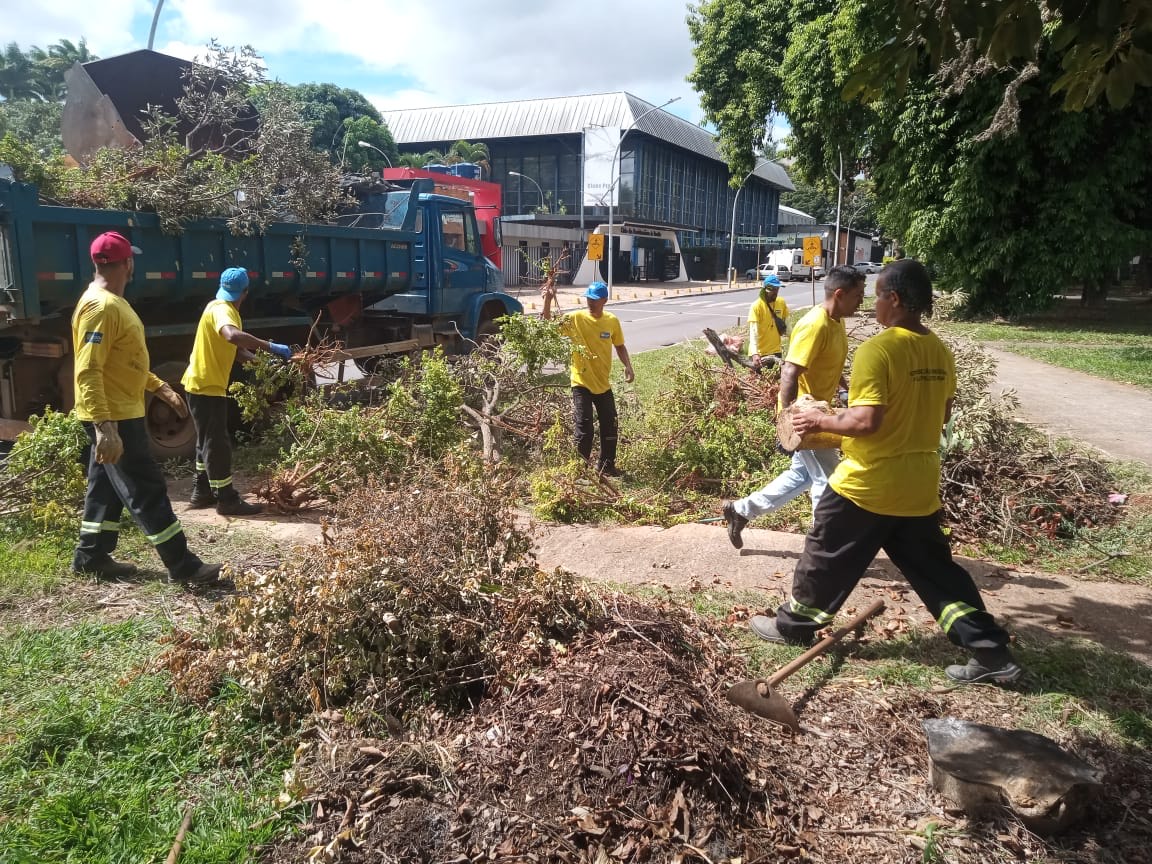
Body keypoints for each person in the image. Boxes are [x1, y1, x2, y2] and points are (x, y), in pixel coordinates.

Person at [750, 259, 1021, 684]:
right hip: (918, 485)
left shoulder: (879, 350)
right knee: (937, 573)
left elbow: (865, 423)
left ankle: (793, 625)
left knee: (824, 553)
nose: (872, 304)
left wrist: (816, 421)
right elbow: (942, 411)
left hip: (868, 481)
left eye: (876, 295)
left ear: (894, 298)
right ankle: (992, 654)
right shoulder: (938, 350)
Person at [71, 231, 221, 586]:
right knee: (146, 488)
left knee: (104, 487)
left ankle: (90, 555)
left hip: (119, 409)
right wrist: (104, 425)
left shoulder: (108, 302)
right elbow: (88, 368)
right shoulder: (102, 306)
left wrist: (158, 386)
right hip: (116, 415)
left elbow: (122, 362)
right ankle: (183, 566)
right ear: (128, 263)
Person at [722, 265, 866, 549]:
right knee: (831, 481)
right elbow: (789, 372)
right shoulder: (815, 325)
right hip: (805, 418)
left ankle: (740, 511)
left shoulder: (836, 321)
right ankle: (822, 545)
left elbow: (830, 365)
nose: (862, 300)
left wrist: (847, 392)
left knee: (801, 476)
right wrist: (785, 422)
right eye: (859, 295)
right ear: (840, 294)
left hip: (820, 413)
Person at [182, 267, 293, 515]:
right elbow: (232, 336)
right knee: (218, 444)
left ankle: (202, 492)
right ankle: (227, 499)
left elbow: (238, 352)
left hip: (200, 384)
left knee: (206, 441)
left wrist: (264, 363)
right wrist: (271, 346)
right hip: (207, 387)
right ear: (245, 292)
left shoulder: (215, 306)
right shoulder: (224, 310)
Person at [541, 280, 635, 477]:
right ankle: (578, 471)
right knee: (584, 428)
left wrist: (628, 366)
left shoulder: (611, 321)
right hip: (581, 382)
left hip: (602, 384)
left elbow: (619, 346)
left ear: (604, 300)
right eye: (588, 298)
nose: (590, 302)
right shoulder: (575, 318)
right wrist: (548, 300)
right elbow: (548, 325)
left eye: (594, 299)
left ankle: (606, 466)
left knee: (611, 425)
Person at [747, 273, 789, 367]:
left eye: (777, 289)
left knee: (774, 381)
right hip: (759, 354)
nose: (776, 292)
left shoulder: (781, 303)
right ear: (766, 289)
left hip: (776, 352)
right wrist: (754, 353)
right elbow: (753, 332)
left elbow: (788, 327)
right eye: (773, 289)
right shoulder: (756, 306)